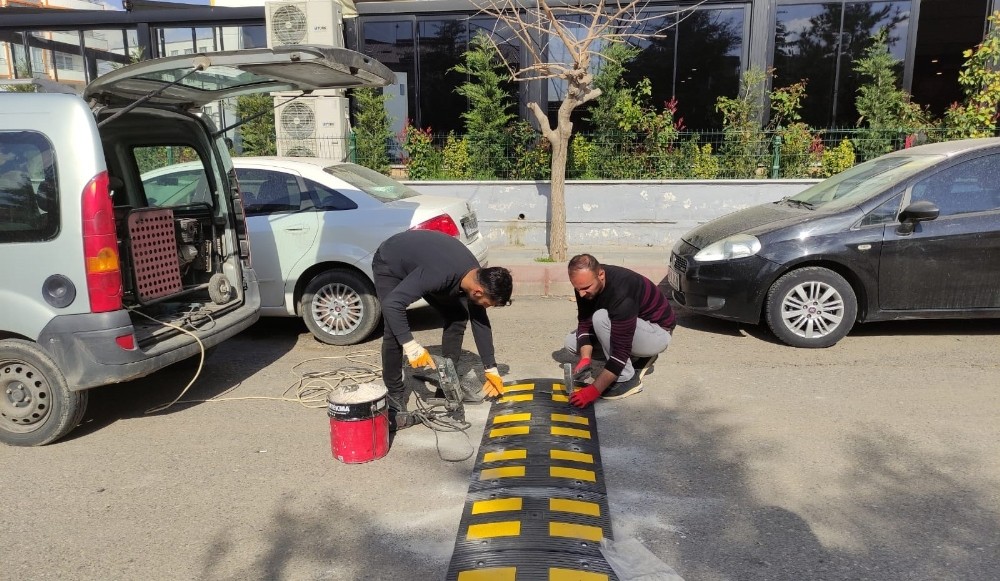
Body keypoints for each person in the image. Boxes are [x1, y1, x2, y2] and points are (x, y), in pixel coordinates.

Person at [372, 229, 513, 430]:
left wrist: (490, 368)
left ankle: (447, 383)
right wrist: (410, 345)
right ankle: (394, 396)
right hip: (391, 260)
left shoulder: (474, 277)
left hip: (425, 262)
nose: (486, 308)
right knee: (394, 329)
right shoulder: (440, 274)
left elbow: (480, 321)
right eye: (487, 303)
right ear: (478, 291)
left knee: (457, 316)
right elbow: (392, 305)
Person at [563, 253, 675, 408]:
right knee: (571, 343)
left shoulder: (622, 291)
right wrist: (585, 359)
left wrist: (592, 391)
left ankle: (627, 378)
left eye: (586, 288)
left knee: (601, 318)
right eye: (577, 289)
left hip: (657, 333)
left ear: (600, 275)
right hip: (628, 327)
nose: (581, 294)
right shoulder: (584, 283)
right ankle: (635, 356)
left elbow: (620, 353)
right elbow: (584, 322)